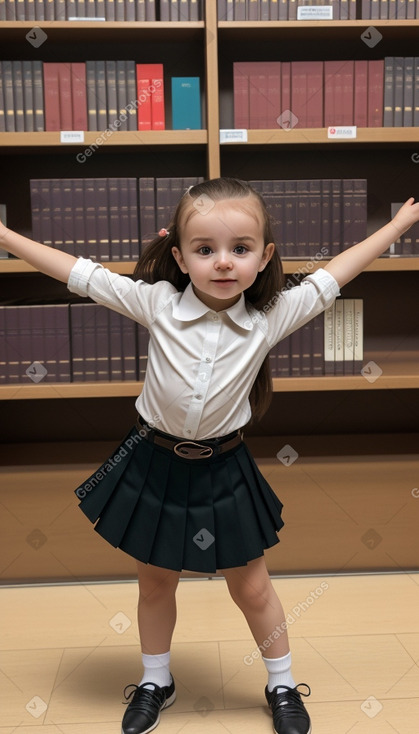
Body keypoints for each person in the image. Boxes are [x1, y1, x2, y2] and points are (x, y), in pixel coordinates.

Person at [1, 177, 419, 734]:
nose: (223, 263)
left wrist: (395, 227)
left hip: (225, 467)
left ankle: (281, 684)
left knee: (252, 587)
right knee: (155, 582)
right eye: (206, 250)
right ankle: (156, 680)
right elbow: (79, 273)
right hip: (155, 463)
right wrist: (6, 234)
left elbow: (335, 275)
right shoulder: (156, 302)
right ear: (180, 255)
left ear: (264, 255)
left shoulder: (270, 317)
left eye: (240, 249)